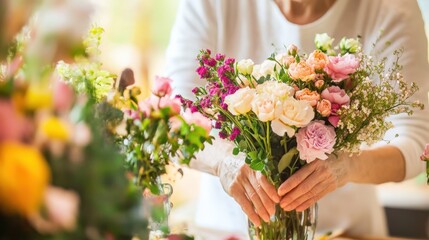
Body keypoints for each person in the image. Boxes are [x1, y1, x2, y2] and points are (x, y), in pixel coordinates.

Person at [165, 0, 429, 238]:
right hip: (225, 230)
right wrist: (225, 162)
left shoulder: (391, 7)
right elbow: (171, 119)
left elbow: (418, 138)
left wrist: (348, 167)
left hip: (346, 233)